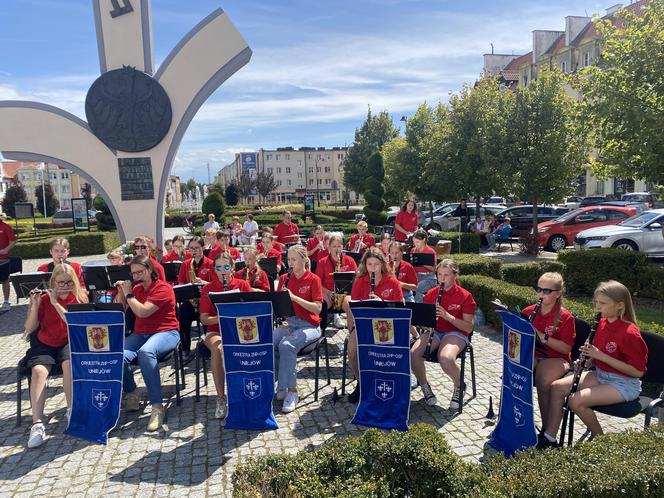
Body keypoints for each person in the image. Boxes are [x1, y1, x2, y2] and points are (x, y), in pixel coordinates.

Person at [540, 280, 648, 448]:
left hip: (623, 383)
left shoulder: (630, 333)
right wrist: (589, 360)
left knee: (576, 402)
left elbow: (638, 372)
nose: (598, 307)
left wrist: (601, 356)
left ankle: (600, 441)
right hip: (601, 374)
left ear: (620, 305)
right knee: (556, 387)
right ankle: (549, 437)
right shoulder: (603, 323)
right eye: (596, 302)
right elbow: (600, 354)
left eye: (603, 303)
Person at [23, 263, 89, 448]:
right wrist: (34, 306)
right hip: (45, 343)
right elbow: (29, 329)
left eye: (69, 282)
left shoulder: (79, 297)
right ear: (53, 282)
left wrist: (55, 303)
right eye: (60, 282)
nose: (64, 286)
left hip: (70, 340)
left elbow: (73, 324)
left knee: (69, 364)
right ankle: (37, 424)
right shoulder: (44, 299)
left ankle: (71, 411)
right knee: (38, 371)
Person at [116, 255, 180, 431]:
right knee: (116, 355)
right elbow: (120, 310)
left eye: (139, 272)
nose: (135, 276)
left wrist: (129, 294)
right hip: (141, 333)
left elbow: (143, 312)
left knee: (146, 352)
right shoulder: (136, 290)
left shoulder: (163, 288)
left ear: (150, 270)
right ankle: (132, 391)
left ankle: (157, 406)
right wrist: (122, 294)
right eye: (133, 273)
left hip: (166, 332)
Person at [410, 259, 476, 410]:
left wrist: (448, 316)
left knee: (445, 358)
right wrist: (423, 323)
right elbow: (424, 321)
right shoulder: (431, 294)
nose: (442, 278)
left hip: (456, 332)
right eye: (439, 274)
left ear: (454, 275)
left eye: (446, 275)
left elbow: (468, 326)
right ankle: (425, 387)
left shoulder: (465, 296)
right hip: (435, 331)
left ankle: (460, 385)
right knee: (413, 354)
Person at [345, 247, 404, 403]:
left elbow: (399, 309)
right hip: (364, 324)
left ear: (382, 265)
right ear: (365, 265)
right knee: (352, 350)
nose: (372, 268)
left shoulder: (392, 281)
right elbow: (354, 307)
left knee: (381, 351)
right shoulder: (359, 281)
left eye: (376, 264)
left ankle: (385, 384)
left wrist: (381, 304)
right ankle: (361, 382)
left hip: (386, 326)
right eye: (369, 264)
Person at [199, 252, 253, 418]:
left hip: (240, 329)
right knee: (219, 349)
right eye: (219, 267)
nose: (223, 271)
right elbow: (204, 319)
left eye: (226, 267)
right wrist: (223, 315)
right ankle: (221, 398)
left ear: (233, 268)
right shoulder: (208, 289)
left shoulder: (243, 284)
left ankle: (244, 393)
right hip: (216, 330)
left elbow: (253, 310)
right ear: (214, 270)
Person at [523, 272, 576, 433]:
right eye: (538, 289)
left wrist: (542, 336)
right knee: (515, 371)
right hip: (535, 353)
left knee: (543, 380)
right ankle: (515, 419)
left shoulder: (565, 317)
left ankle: (547, 430)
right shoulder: (528, 311)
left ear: (558, 294)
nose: (540, 294)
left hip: (557, 358)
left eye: (546, 291)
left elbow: (566, 348)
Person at [274, 245, 323, 412]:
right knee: (270, 341)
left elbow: (317, 309)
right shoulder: (284, 279)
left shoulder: (313, 279)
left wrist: (294, 297)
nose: (290, 263)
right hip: (291, 323)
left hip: (310, 325)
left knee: (287, 345)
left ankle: (292, 392)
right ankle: (280, 383)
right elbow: (280, 308)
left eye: (294, 259)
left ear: (304, 259)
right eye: (288, 259)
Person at [176, 236, 214, 354]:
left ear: (202, 247)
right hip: (191, 300)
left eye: (197, 248)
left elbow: (215, 284)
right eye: (191, 248)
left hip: (206, 300)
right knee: (182, 314)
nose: (194, 251)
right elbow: (181, 282)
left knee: (209, 317)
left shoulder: (210, 263)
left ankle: (209, 346)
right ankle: (185, 346)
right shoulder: (185, 264)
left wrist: (204, 283)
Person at [315, 234, 357, 329]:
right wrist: (328, 292)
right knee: (322, 304)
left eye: (339, 246)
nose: (337, 249)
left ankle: (352, 333)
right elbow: (317, 283)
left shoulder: (350, 261)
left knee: (351, 306)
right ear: (329, 247)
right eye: (334, 246)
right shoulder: (322, 262)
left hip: (345, 295)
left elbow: (357, 279)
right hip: (328, 293)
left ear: (342, 247)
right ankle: (320, 331)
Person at [410, 229, 437, 303]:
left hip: (429, 278)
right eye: (414, 242)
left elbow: (434, 269)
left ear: (424, 240)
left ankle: (419, 308)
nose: (415, 244)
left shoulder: (430, 251)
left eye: (417, 242)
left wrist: (422, 262)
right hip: (416, 277)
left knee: (417, 288)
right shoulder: (413, 250)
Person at [0, 216, 17, 311]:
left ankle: (6, 301)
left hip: (3, 260)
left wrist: (5, 250)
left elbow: (13, 240)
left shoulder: (5, 227)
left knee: (5, 280)